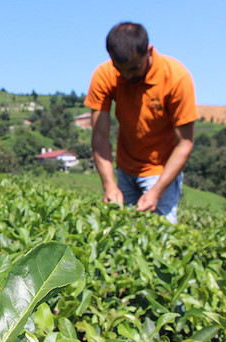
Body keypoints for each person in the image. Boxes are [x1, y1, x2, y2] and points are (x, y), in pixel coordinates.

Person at [84, 22, 197, 223]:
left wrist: (156, 191)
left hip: (160, 171)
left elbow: (185, 144)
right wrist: (109, 184)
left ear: (149, 51)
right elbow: (99, 136)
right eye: (121, 70)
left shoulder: (176, 78)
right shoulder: (105, 75)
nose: (127, 75)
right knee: (120, 232)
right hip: (125, 167)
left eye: (134, 68)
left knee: (160, 235)